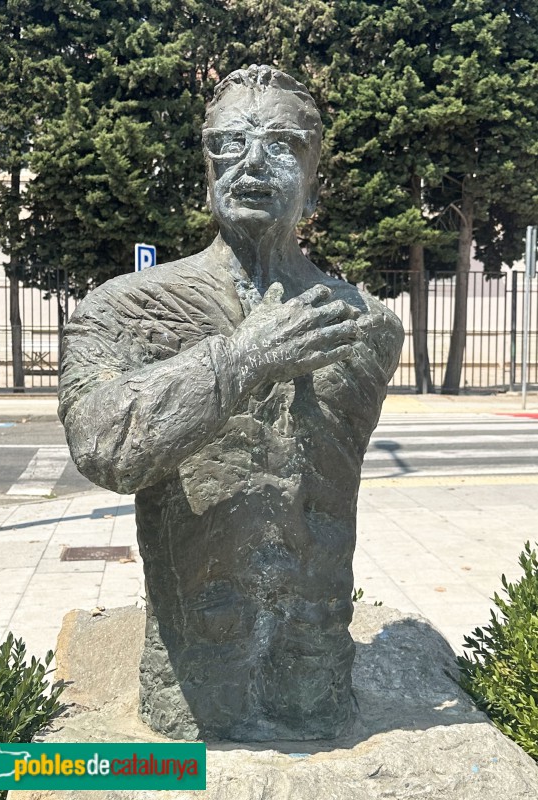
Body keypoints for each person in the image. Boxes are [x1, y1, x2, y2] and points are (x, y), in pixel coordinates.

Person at [59, 65, 404, 741]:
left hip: (315, 671)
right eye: (228, 144)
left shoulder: (370, 325)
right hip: (190, 681)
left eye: (281, 144)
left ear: (315, 174)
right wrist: (242, 359)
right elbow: (104, 448)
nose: (251, 165)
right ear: (205, 167)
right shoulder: (126, 308)